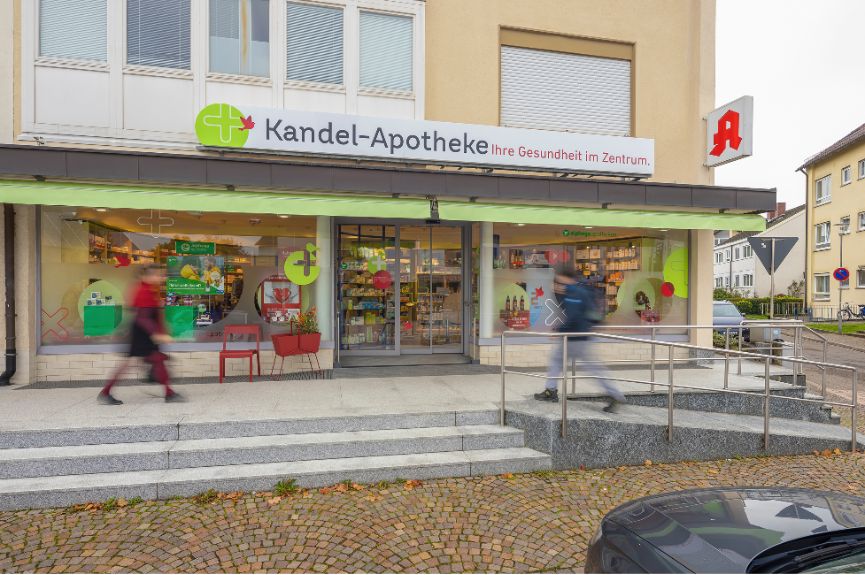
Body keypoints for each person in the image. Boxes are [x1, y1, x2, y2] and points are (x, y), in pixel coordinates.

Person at [534, 272, 626, 413]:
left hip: (575, 337)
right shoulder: (581, 290)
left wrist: (558, 330)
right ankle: (614, 394)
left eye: (558, 281)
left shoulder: (573, 293)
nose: (556, 285)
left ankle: (551, 391)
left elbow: (573, 317)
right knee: (584, 365)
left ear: (566, 279)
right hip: (582, 335)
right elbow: (588, 313)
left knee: (568, 362)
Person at [98, 264, 184, 405]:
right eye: (159, 275)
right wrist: (156, 334)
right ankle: (105, 393)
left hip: (144, 332)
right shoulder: (143, 291)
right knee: (134, 363)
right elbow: (143, 317)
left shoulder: (148, 289)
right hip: (143, 333)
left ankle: (169, 393)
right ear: (148, 276)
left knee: (156, 359)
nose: (162, 278)